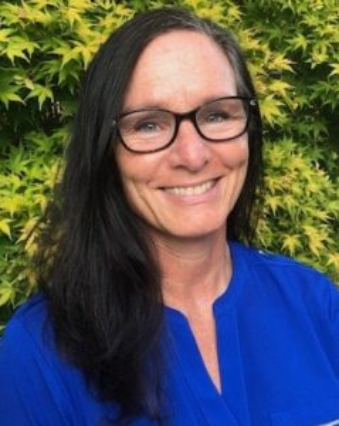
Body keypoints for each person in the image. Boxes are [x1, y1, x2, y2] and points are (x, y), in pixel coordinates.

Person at [0, 7, 339, 426]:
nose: (193, 156)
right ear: (106, 150)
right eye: (149, 125)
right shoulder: (39, 351)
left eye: (217, 114)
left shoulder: (314, 304)